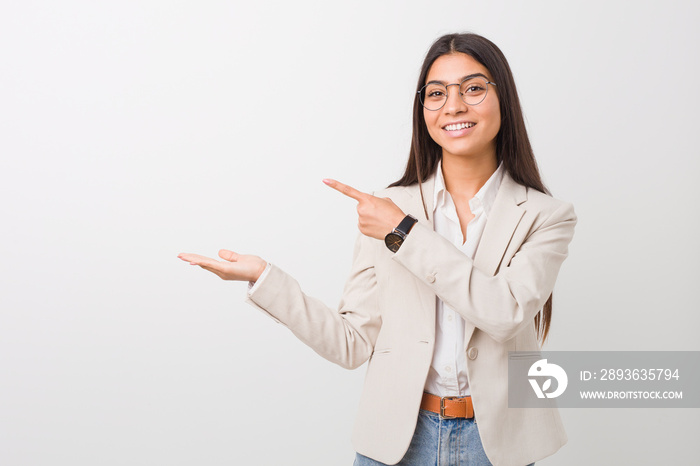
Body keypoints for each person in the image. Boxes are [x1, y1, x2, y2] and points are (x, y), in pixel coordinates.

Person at [178, 32, 576, 466]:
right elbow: (351, 344)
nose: (454, 106)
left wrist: (404, 233)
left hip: (498, 445)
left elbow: (506, 312)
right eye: (437, 93)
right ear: (422, 108)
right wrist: (266, 279)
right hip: (399, 441)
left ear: (504, 99)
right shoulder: (387, 207)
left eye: (474, 88)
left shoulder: (545, 215)